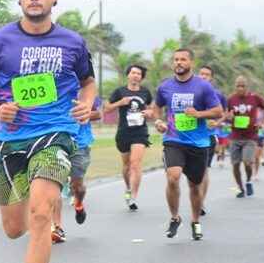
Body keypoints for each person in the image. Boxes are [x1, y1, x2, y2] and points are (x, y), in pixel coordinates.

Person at [0, 0, 96, 263]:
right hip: (11, 139)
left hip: (55, 135)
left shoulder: (72, 42)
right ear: (20, 0)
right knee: (14, 228)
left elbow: (88, 82)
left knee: (40, 215)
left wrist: (86, 104)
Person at [151, 48, 223, 240]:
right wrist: (158, 121)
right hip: (173, 140)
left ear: (191, 62)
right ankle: (175, 217)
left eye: (183, 59)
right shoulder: (165, 87)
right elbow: (156, 108)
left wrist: (199, 114)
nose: (178, 63)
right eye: (175, 59)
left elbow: (218, 111)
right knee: (173, 177)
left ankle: (195, 221)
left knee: (194, 186)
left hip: (198, 143)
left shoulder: (203, 87)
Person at [51, 98, 101, 243]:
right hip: (56, 141)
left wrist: (82, 113)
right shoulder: (55, 84)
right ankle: (57, 227)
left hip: (80, 143)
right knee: (55, 184)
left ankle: (79, 204)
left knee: (77, 186)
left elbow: (98, 114)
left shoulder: (85, 90)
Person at [104, 65, 154, 211]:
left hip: (140, 132)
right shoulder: (119, 91)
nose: (135, 75)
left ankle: (133, 197)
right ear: (128, 75)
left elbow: (152, 109)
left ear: (141, 77)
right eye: (133, 73)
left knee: (135, 164)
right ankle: (128, 187)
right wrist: (120, 102)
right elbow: (106, 108)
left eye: (138, 74)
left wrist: (150, 113)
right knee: (126, 166)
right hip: (124, 132)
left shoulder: (145, 92)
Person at [226, 76, 264, 197]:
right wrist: (229, 117)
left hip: (250, 136)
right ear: (235, 86)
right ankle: (240, 188)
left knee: (247, 162)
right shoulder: (231, 99)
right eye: (238, 86)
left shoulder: (254, 98)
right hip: (235, 136)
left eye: (242, 86)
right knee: (235, 164)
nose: (240, 88)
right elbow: (226, 113)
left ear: (247, 87)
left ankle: (249, 181)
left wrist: (261, 121)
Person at [196, 65, 226, 216]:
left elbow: (224, 113)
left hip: (208, 137)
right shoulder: (190, 91)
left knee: (204, 170)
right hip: (190, 137)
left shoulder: (218, 94)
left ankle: (200, 202)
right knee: (193, 173)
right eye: (201, 74)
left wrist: (217, 122)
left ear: (211, 78)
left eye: (206, 74)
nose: (203, 76)